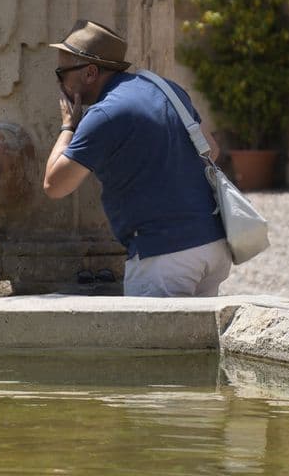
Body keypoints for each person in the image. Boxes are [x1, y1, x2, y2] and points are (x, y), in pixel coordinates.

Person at [43, 19, 229, 297]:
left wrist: (68, 125)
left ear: (90, 72)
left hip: (164, 257)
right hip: (213, 246)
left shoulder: (103, 114)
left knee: (153, 342)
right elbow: (211, 149)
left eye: (62, 73)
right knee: (197, 341)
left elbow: (55, 185)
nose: (59, 82)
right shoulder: (167, 88)